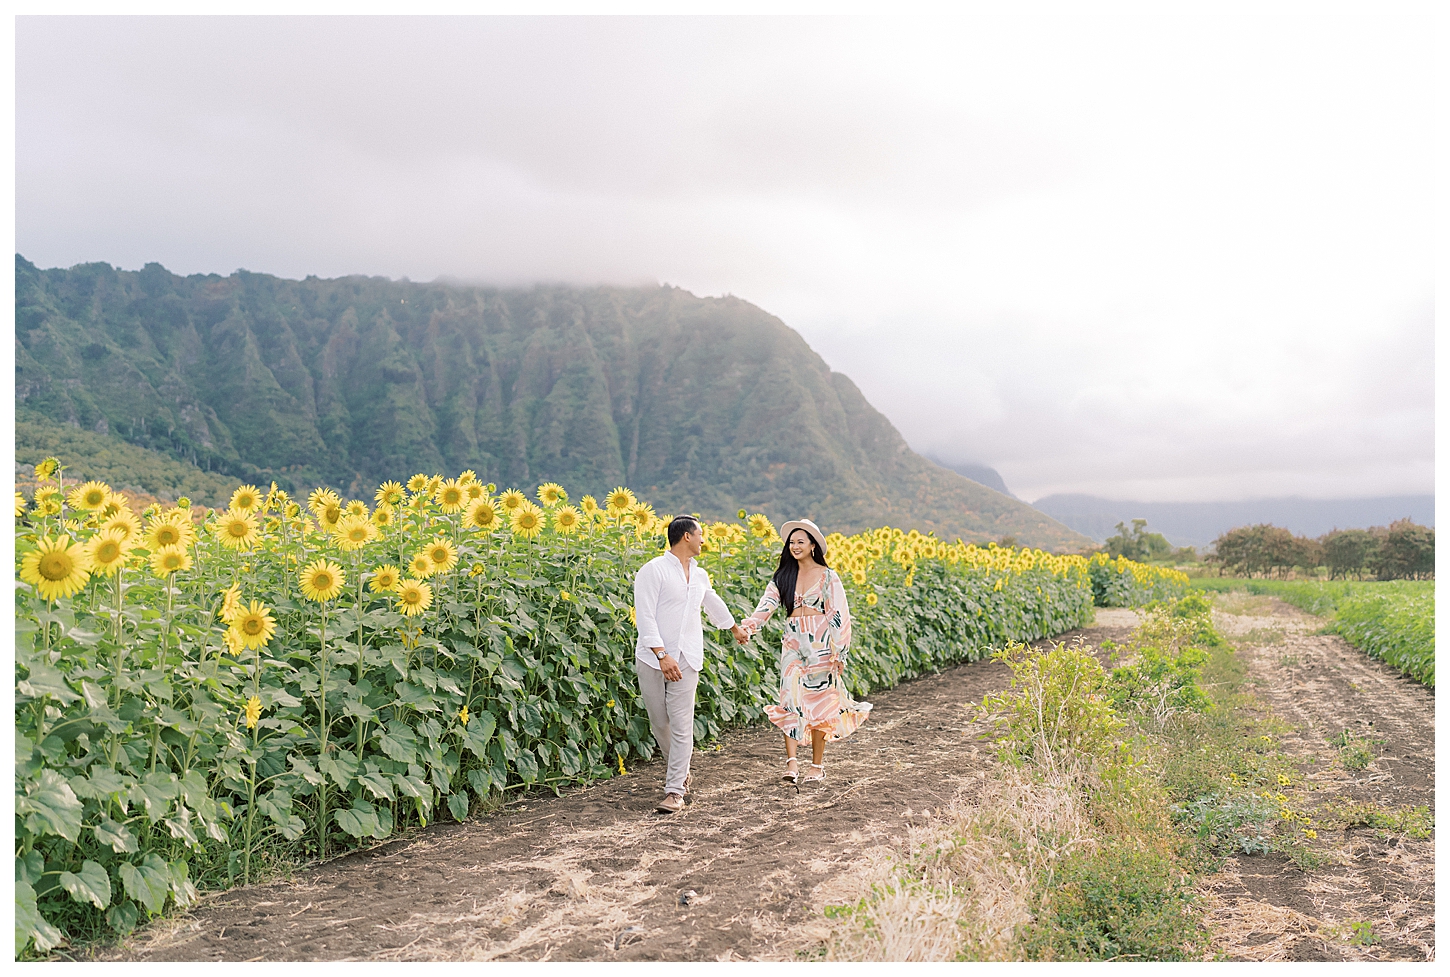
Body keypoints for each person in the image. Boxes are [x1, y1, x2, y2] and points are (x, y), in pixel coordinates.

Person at [736, 518, 870, 785]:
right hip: (793, 641)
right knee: (790, 696)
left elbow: (839, 614)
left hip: (821, 642)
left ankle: (817, 765)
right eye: (791, 542)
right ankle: (791, 763)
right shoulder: (783, 576)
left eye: (800, 542)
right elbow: (767, 604)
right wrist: (748, 626)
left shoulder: (828, 576)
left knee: (820, 700)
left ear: (812, 546)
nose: (795, 546)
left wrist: (840, 651)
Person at [634, 514, 747, 814]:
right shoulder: (653, 571)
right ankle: (682, 772)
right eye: (700, 535)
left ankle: (674, 791)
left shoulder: (699, 575)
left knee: (683, 723)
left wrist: (734, 628)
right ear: (686, 536)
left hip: (688, 657)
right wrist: (661, 654)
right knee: (660, 722)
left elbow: (711, 602)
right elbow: (644, 616)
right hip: (652, 657)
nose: (703, 540)